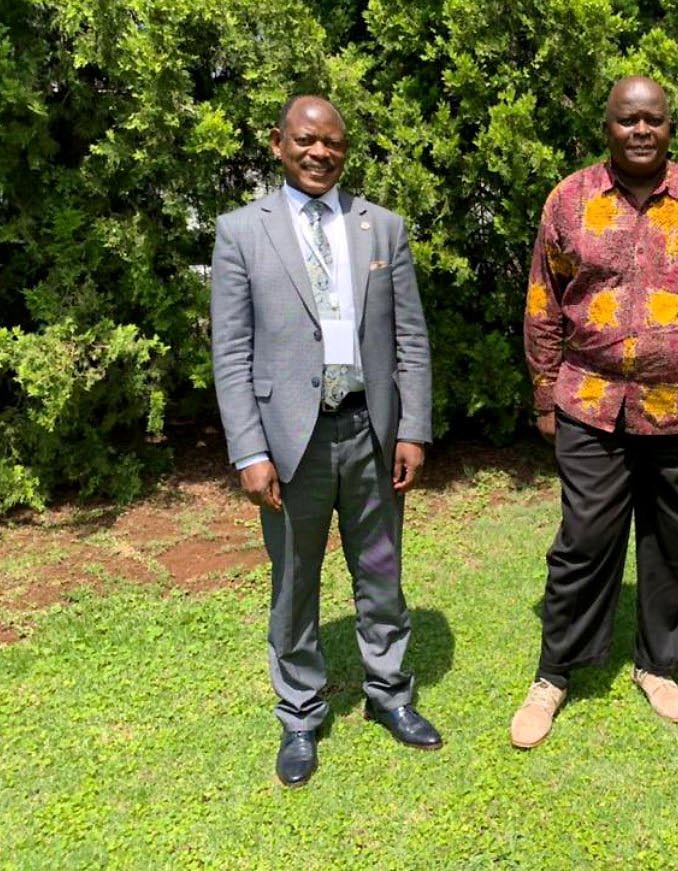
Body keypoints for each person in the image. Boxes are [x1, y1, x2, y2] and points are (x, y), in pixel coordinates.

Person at [511, 76, 678, 749]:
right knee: (585, 539)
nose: (641, 131)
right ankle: (554, 673)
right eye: (627, 120)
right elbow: (543, 300)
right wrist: (543, 391)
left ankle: (659, 664)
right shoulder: (569, 199)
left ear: (670, 127)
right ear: (607, 126)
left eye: (654, 120)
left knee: (675, 540)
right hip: (590, 399)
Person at [211, 95, 442, 787]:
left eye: (333, 142)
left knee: (379, 568)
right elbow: (231, 351)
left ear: (346, 149)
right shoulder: (241, 233)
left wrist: (413, 428)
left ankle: (390, 694)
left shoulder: (382, 228)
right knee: (294, 581)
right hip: (291, 444)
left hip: (370, 433)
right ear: (278, 144)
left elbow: (410, 338)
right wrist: (248, 450)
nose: (320, 153)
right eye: (306, 140)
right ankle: (301, 714)